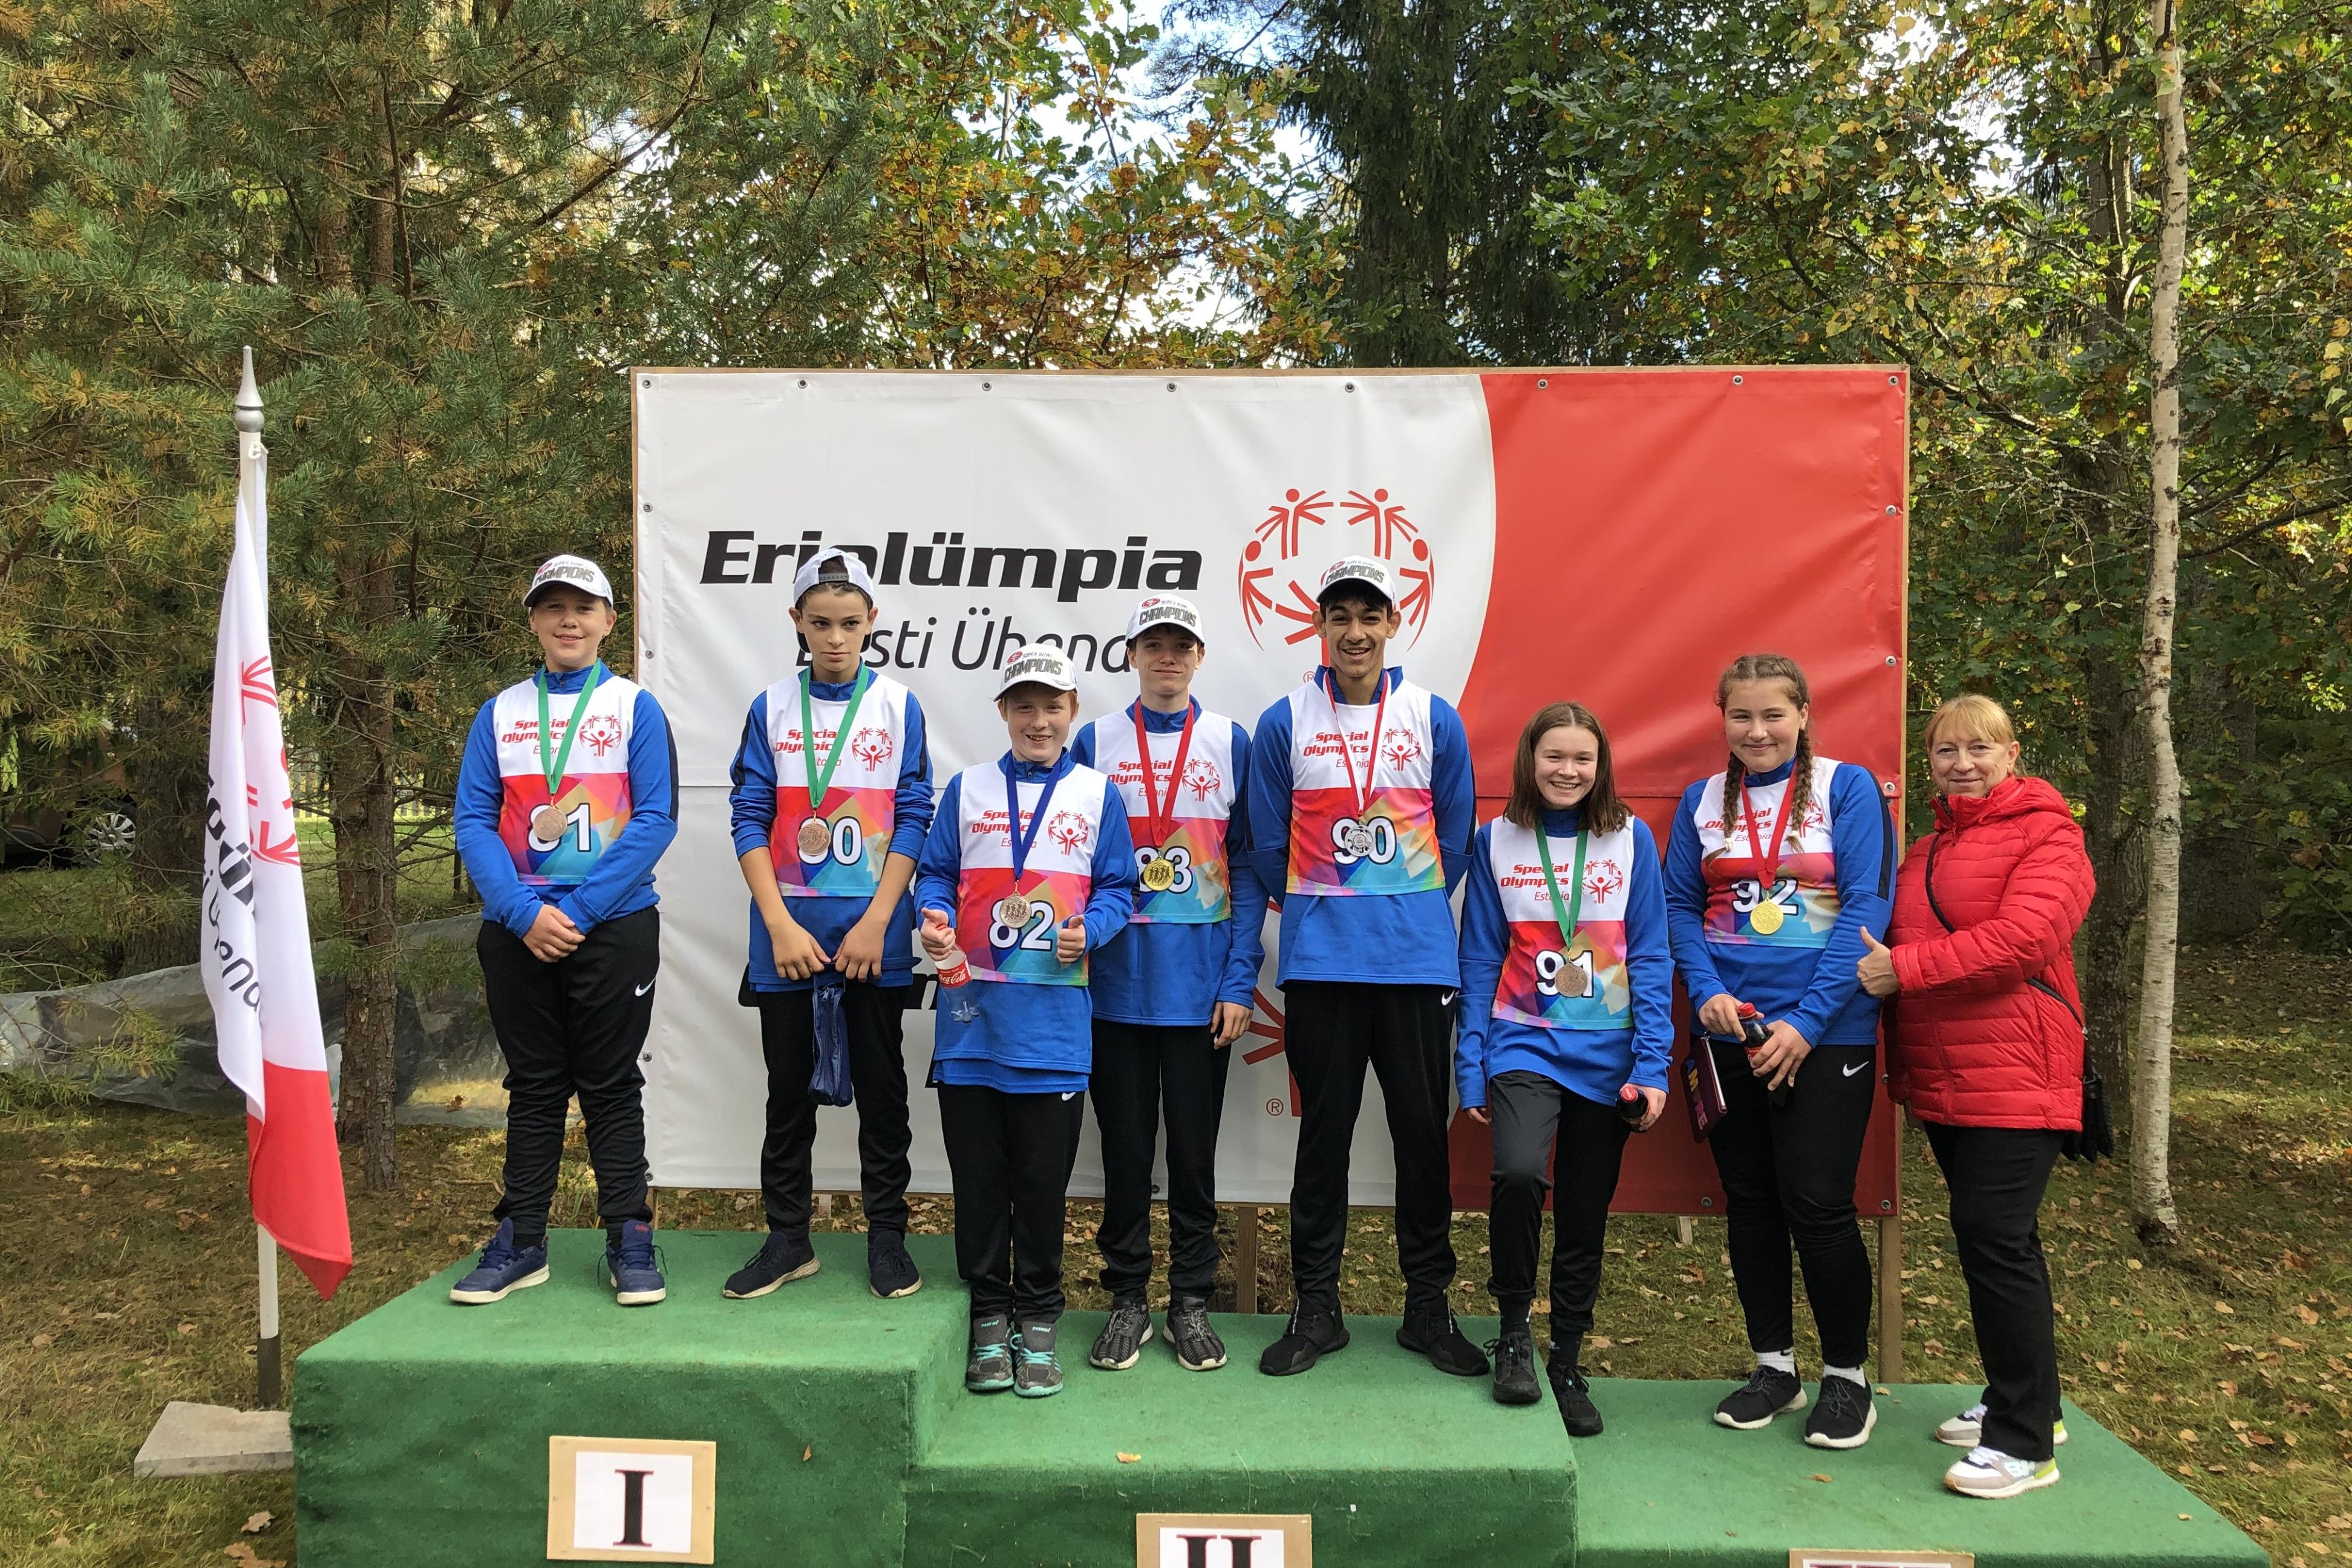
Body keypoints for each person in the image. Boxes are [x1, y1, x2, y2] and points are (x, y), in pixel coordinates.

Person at [1245, 557, 1485, 1379]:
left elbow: (1455, 838)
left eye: (1369, 615)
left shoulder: (1433, 718)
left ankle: (1428, 1308)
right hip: (1322, 967)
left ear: (1393, 624)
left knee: (1421, 1139)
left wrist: (1401, 907)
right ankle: (1317, 1306)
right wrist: (1326, 910)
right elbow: (1267, 843)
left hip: (1416, 964)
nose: (1355, 632)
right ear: (1319, 625)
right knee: (1324, 1139)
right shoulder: (1285, 721)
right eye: (1340, 616)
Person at [1857, 693, 2093, 1500]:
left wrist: (1903, 970)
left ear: (2011, 754)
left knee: (1994, 1237)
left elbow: (2025, 940)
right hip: (1947, 1075)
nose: (1962, 764)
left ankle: (2024, 1446)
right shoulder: (1925, 848)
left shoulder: (2051, 836)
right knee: (2000, 1241)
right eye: (1946, 751)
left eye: (1979, 749)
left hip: (2019, 1070)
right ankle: (2029, 1404)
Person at [1664, 652, 1892, 1446]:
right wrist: (1706, 992)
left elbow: (1867, 907)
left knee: (1819, 1206)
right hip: (1732, 1031)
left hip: (1827, 1033)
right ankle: (1775, 1369)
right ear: (1722, 719)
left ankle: (1847, 1379)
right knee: (1751, 1203)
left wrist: (1808, 1023)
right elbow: (1679, 907)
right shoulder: (1701, 802)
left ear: (1802, 715)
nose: (1757, 730)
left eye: (1773, 715)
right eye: (1741, 716)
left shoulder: (1846, 789)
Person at [449, 555, 679, 1307]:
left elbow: (656, 820)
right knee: (536, 1085)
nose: (568, 620)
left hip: (611, 926)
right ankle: (522, 1239)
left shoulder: (634, 708)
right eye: (553, 607)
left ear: (610, 620)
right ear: (533, 621)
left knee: (611, 1082)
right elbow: (473, 820)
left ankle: (630, 1236)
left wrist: (577, 913)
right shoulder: (500, 712)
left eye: (583, 607)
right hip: (517, 929)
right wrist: (522, 913)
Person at [915, 648, 1135, 1398]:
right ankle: (987, 1311)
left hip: (1054, 1031)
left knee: (1041, 1186)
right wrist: (933, 914)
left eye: (1052, 706)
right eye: (1024, 706)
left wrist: (1091, 930)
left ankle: (1039, 1315)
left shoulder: (1098, 794)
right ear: (1003, 712)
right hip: (971, 1023)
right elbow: (936, 872)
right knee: (980, 1183)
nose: (1038, 721)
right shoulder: (967, 788)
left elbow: (1118, 887)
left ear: (1073, 711)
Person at [722, 547, 934, 1303]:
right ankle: (788, 1239)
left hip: (872, 941)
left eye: (849, 623)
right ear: (797, 622)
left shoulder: (899, 706)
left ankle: (887, 1238)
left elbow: (915, 816)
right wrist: (778, 924)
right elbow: (748, 816)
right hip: (788, 941)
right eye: (820, 624)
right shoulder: (771, 707)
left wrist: (879, 920)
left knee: (884, 1092)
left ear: (872, 620)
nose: (836, 638)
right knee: (786, 1097)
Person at [1457, 702, 1672, 1436]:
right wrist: (1471, 1062)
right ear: (1530, 760)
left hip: (1609, 1052)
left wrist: (1653, 1065)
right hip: (1523, 1042)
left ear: (1601, 766)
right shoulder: (1496, 839)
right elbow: (1480, 956)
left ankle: (1568, 1359)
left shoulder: (1631, 838)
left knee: (1584, 1207)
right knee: (1519, 1173)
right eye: (1555, 756)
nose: (1568, 771)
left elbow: (1651, 954)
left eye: (1583, 758)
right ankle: (1513, 1331)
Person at [1071, 595, 1266, 1374]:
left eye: (1181, 646)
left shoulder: (1230, 741)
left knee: (1193, 1157)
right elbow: (1071, 859)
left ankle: (1190, 1299)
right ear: (1132, 656)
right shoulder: (1094, 740)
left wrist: (1239, 981)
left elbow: (1247, 867)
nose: (1168, 658)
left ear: (1200, 656)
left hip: (1200, 994)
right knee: (1124, 1156)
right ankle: (1127, 1297)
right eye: (1153, 645)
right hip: (1114, 990)